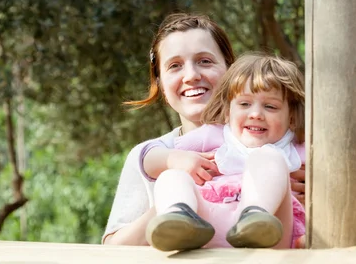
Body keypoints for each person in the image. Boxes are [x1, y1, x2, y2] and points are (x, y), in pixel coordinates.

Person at [102, 13, 306, 246]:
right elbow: (113, 249)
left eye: (205, 61)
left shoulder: (278, 142)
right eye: (175, 66)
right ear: (160, 83)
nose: (191, 76)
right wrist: (182, 199)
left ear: (231, 69)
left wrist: (279, 182)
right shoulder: (159, 152)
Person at [141, 53, 305, 251]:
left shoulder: (300, 148)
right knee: (171, 176)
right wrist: (174, 158)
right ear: (228, 111)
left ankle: (254, 217)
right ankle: (178, 218)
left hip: (270, 234)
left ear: (293, 118)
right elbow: (148, 159)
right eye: (244, 104)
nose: (255, 114)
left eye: (270, 106)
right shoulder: (216, 136)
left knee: (269, 156)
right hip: (208, 227)